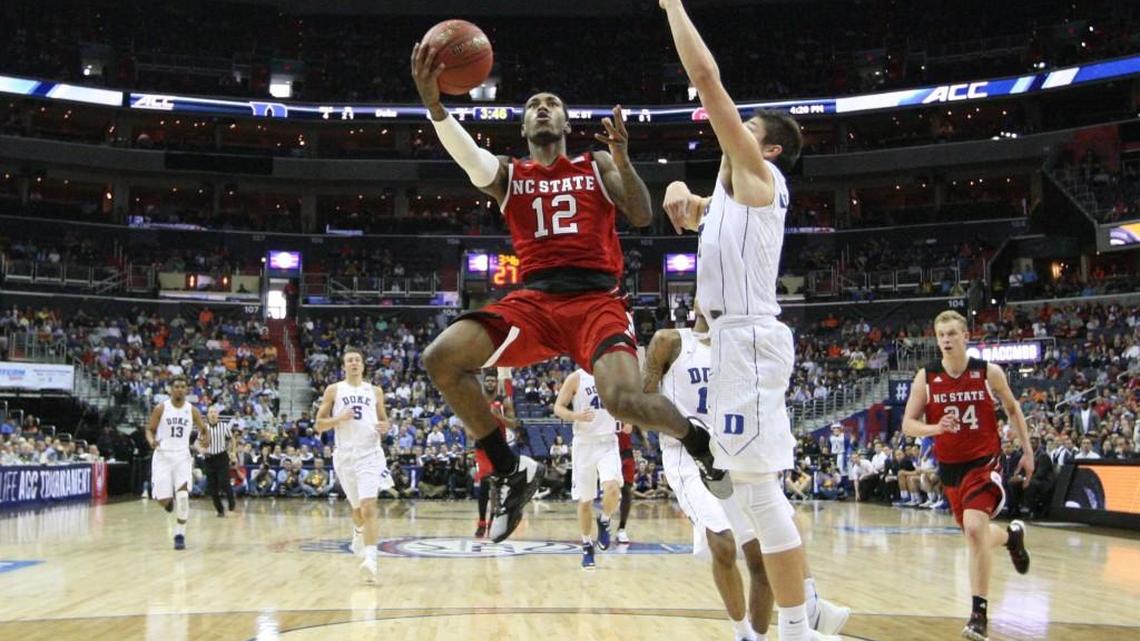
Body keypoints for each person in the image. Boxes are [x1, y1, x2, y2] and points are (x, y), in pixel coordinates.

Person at [411, 41, 715, 543]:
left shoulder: (595, 163)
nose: (542, 108)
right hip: (534, 303)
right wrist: (435, 107)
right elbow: (470, 159)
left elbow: (641, 215)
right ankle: (510, 469)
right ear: (523, 127)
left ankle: (697, 441)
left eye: (551, 103)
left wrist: (623, 159)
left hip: (597, 302)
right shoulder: (510, 174)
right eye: (533, 105)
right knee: (440, 358)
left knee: (624, 401)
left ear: (566, 123)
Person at [656, 2, 826, 640]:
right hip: (733, 343)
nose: (732, 128)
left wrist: (673, 6)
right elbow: (694, 207)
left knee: (759, 492)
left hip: (749, 340)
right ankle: (809, 611)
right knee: (749, 492)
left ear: (769, 147)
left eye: (745, 127)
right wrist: (679, 192)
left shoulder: (760, 176)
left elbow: (706, 78)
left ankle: (800, 624)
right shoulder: (731, 195)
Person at [642, 315, 849, 640]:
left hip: (730, 451)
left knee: (763, 554)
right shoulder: (670, 341)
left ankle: (780, 624)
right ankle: (748, 631)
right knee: (723, 543)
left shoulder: (739, 346)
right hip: (686, 454)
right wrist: (678, 430)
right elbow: (644, 402)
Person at [902, 310, 1034, 641]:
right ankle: (1012, 538)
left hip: (984, 462)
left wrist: (1028, 452)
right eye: (941, 335)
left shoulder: (988, 372)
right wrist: (935, 428)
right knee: (976, 535)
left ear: (965, 337)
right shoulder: (926, 377)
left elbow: (1013, 409)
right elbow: (908, 424)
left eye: (951, 334)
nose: (946, 340)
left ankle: (979, 614)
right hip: (950, 468)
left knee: (975, 529)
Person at [315, 347, 395, 584]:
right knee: (358, 510)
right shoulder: (334, 390)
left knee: (369, 507)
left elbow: (384, 421)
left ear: (362, 365)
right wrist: (339, 418)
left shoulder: (375, 391)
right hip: (345, 455)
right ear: (344, 366)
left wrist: (386, 427)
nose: (354, 363)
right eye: (349, 360)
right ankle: (358, 531)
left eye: (357, 360)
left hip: (369, 454)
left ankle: (371, 560)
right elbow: (319, 424)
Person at [553, 368, 622, 569]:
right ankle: (586, 545)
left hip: (608, 441)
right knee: (585, 501)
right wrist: (576, 415)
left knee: (613, 489)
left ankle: (604, 519)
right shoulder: (576, 378)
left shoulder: (614, 374)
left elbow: (626, 403)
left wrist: (628, 420)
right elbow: (558, 407)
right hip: (584, 443)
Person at [146, 376, 210, 550]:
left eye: (183, 386)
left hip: (182, 456)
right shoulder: (161, 408)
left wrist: (206, 438)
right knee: (162, 498)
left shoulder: (192, 410)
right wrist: (151, 440)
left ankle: (179, 534)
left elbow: (204, 429)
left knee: (183, 497)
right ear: (170, 389)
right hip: (162, 456)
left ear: (186, 389)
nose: (180, 389)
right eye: (176, 386)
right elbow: (150, 430)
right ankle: (168, 503)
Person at [474, 373, 515, 538]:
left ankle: (491, 522)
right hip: (482, 446)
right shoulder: (477, 400)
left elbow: (514, 423)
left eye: (493, 380)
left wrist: (499, 416)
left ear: (497, 383)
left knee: (495, 487)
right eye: (488, 380)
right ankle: (481, 522)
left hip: (499, 446)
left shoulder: (504, 401)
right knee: (485, 484)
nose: (490, 383)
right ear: (483, 383)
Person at [201, 406, 237, 517]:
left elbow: (232, 439)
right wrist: (201, 449)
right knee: (212, 487)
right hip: (209, 458)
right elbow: (198, 442)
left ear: (217, 415)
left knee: (224, 482)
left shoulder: (223, 426)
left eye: (215, 412)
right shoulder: (204, 428)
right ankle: (220, 510)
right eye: (210, 412)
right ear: (208, 415)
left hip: (221, 457)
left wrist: (233, 452)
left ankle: (231, 502)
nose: (213, 414)